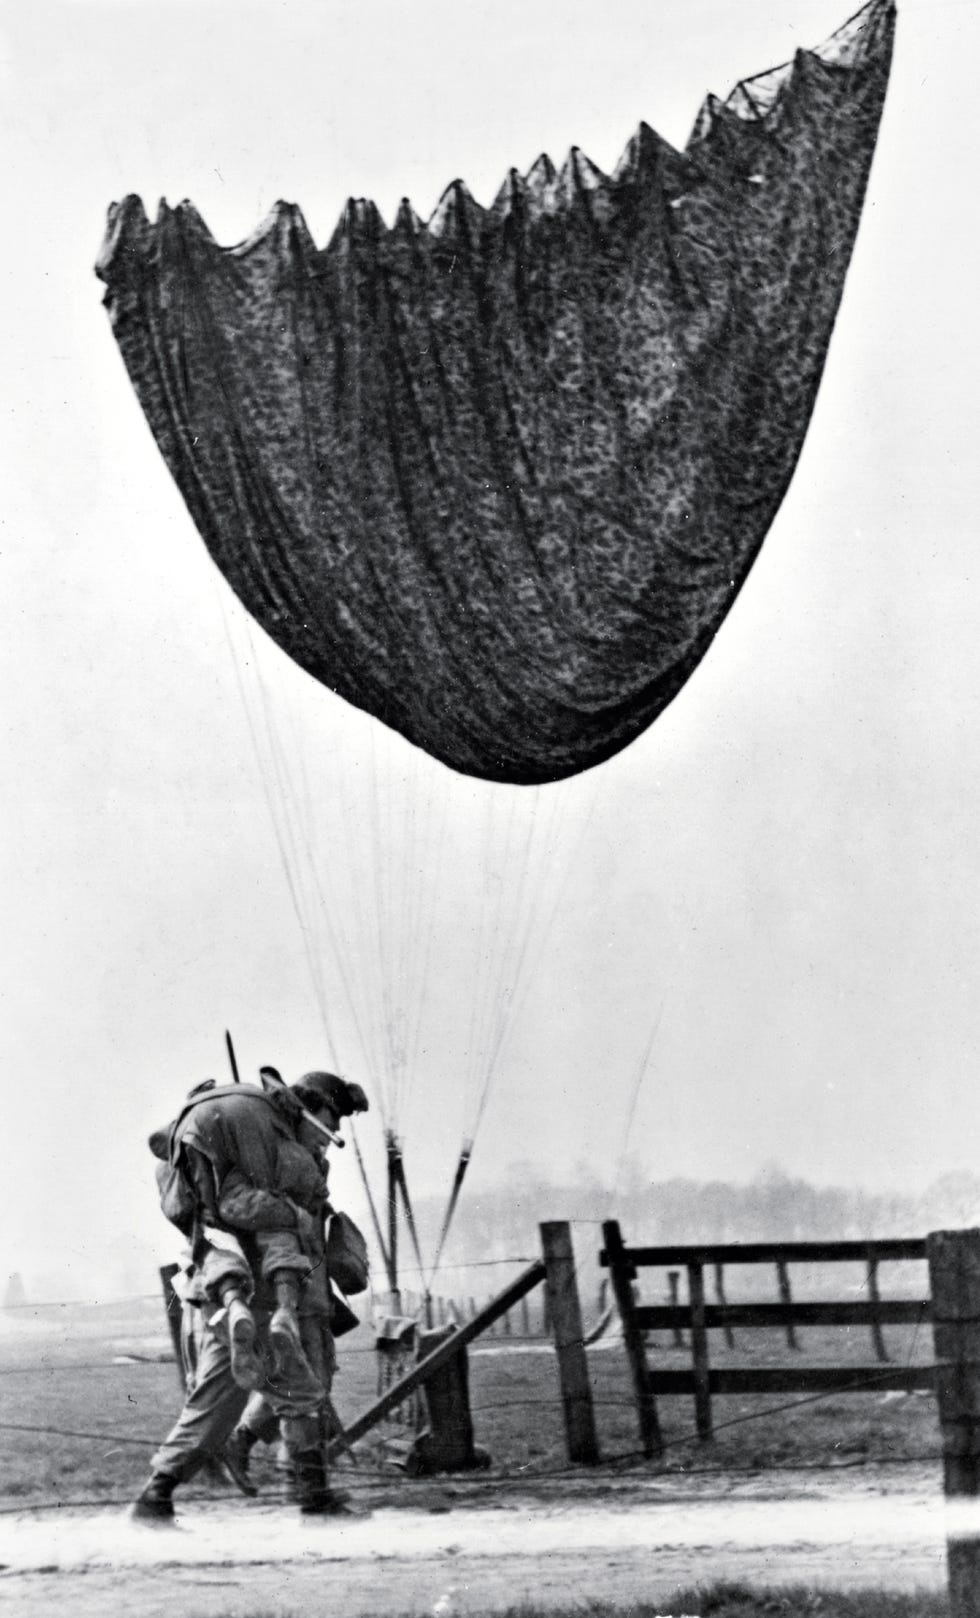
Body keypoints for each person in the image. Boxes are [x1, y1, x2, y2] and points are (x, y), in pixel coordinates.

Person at [133, 1067, 368, 1522]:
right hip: (259, 1295)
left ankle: (154, 1497)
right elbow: (251, 1216)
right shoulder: (276, 1158)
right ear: (311, 1109)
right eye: (332, 1118)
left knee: (214, 1406)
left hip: (228, 1297)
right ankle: (313, 1498)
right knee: (300, 1391)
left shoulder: (273, 1154)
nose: (334, 1131)